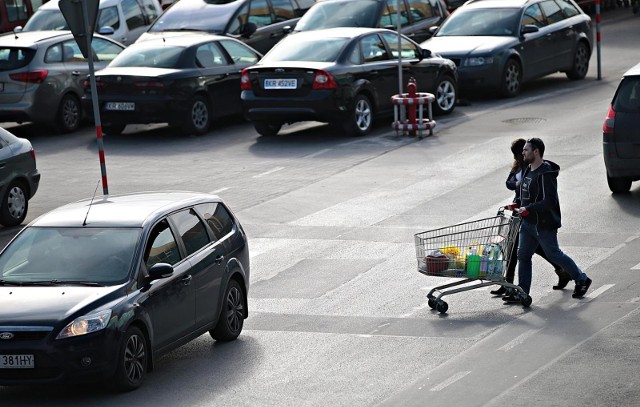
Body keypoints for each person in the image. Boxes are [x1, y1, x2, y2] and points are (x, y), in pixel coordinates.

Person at [503, 138, 592, 303]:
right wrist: (517, 205)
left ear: (536, 151)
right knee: (522, 255)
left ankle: (581, 279)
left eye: (526, 150)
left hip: (543, 224)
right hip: (527, 223)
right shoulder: (529, 169)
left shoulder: (545, 173)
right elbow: (526, 195)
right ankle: (523, 292)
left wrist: (529, 208)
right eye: (522, 150)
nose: (522, 153)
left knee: (554, 254)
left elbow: (549, 201)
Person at [490, 138, 570, 297]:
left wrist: (520, 190)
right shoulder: (518, 166)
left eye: (518, 152)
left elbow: (543, 196)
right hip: (519, 210)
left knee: (529, 249)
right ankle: (509, 283)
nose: (517, 156)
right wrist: (517, 185)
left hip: (528, 212)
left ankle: (511, 284)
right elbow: (509, 183)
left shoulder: (529, 167)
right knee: (518, 249)